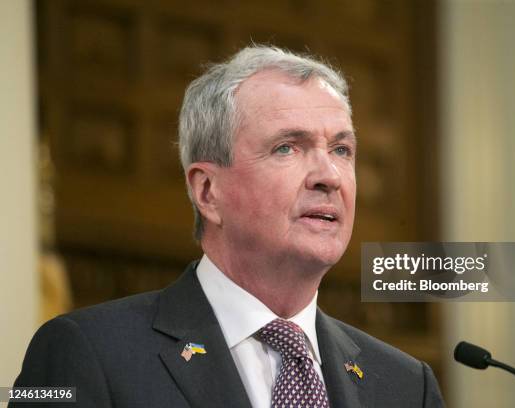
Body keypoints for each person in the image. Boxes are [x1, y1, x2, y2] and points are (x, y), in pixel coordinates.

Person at [12, 45, 445, 408]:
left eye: (341, 149)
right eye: (287, 147)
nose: (328, 175)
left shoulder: (407, 386)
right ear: (207, 192)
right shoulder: (84, 351)